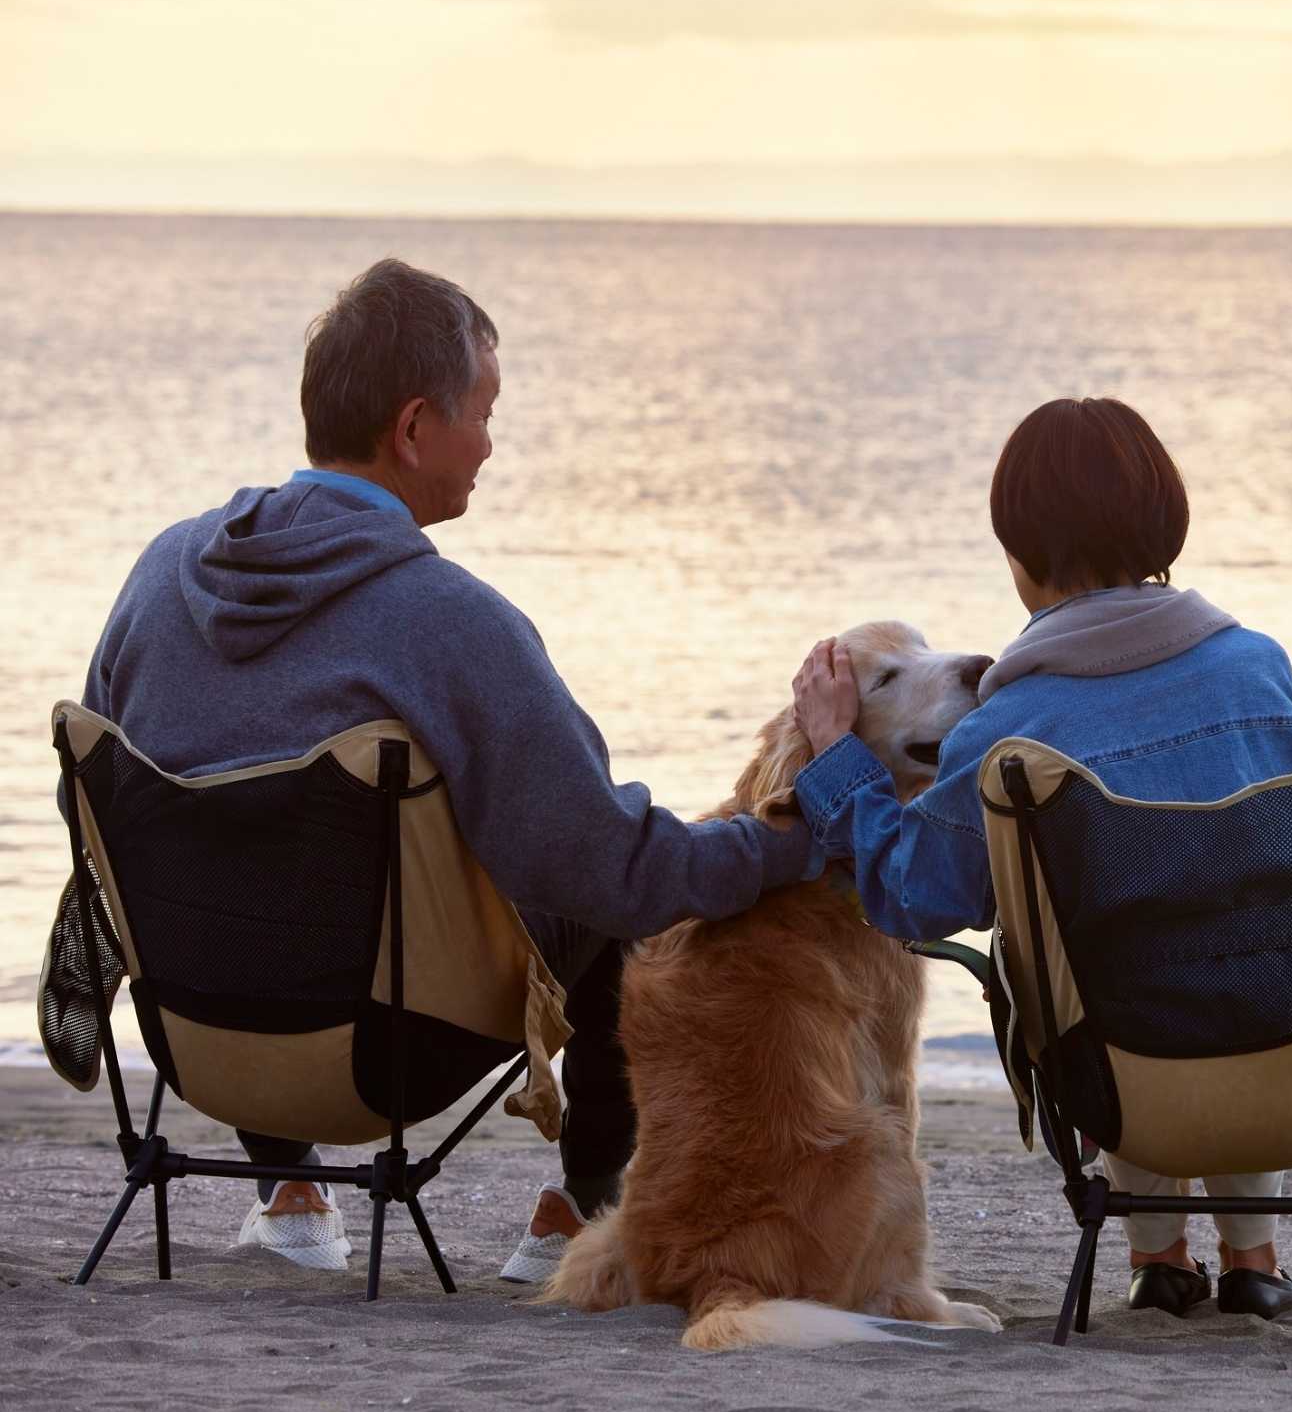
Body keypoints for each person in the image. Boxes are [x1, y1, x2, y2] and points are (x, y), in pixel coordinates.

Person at [72, 258, 822, 1280]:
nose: (491, 443)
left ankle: (289, 1193)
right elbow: (619, 871)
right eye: (484, 411)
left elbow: (103, 827)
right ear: (415, 428)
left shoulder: (161, 572)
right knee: (607, 884)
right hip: (382, 1056)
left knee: (231, 835)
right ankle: (578, 1210)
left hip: (196, 1040)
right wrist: (789, 834)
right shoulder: (450, 623)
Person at [790, 396, 1292, 1322]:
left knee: (1113, 954)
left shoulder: (1008, 726)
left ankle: (1158, 1256)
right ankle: (1254, 1258)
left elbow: (912, 898)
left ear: (1019, 554)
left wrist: (837, 755)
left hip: (1119, 1071)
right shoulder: (1259, 665)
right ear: (1168, 521)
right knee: (1232, 924)